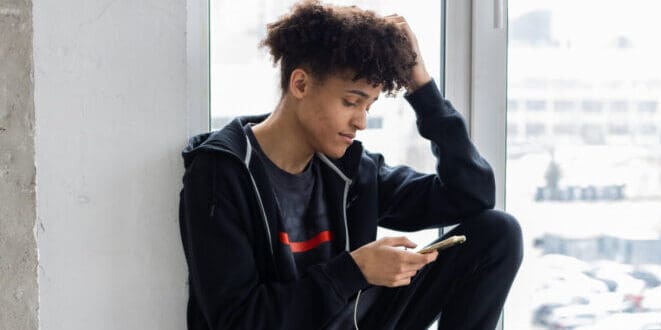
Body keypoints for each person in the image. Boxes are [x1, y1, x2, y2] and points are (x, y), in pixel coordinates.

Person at [178, 1, 523, 329]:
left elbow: (471, 196)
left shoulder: (348, 170)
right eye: (350, 102)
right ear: (300, 84)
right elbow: (237, 321)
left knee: (498, 232)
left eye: (369, 106)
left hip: (359, 321)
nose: (361, 122)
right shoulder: (222, 173)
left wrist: (422, 88)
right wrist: (354, 270)